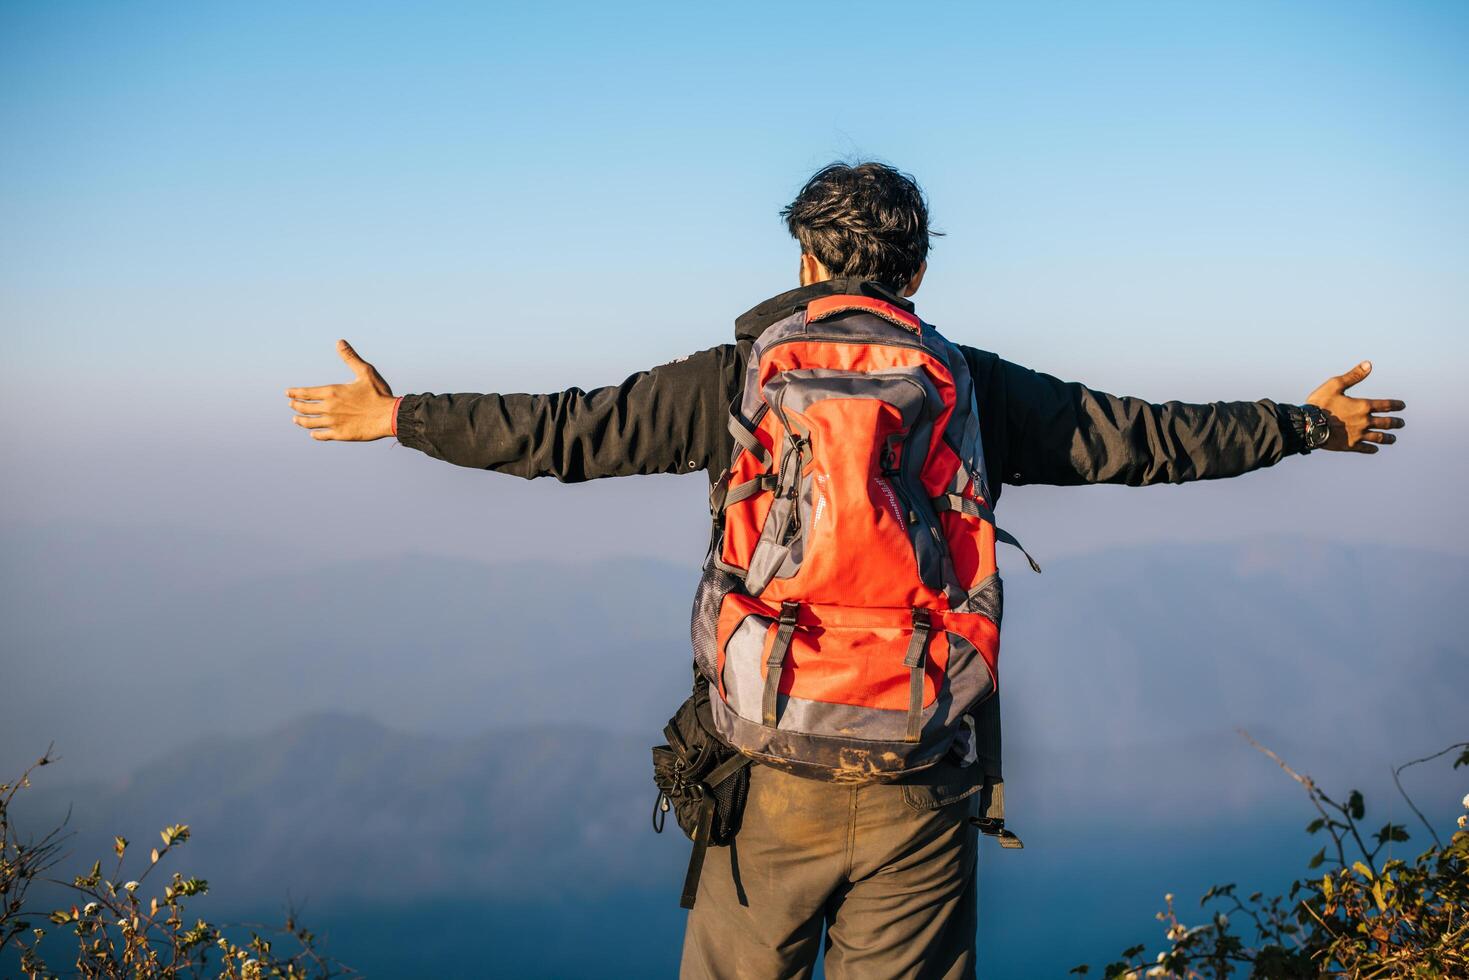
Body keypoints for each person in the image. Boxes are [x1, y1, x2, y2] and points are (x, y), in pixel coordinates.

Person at [285, 162, 1405, 979]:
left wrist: (400, 415)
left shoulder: (736, 377)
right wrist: (1304, 425)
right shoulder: (973, 387)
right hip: (920, 766)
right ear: (914, 269)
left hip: (765, 768)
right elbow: (1147, 439)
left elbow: (566, 431)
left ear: (806, 263)